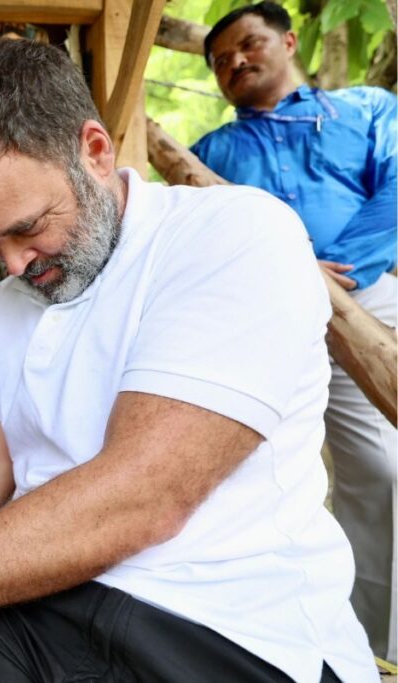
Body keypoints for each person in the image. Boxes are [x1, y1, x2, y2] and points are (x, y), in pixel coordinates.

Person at [0, 38, 377, 682]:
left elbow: (144, 498)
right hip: (37, 598)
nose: (13, 265)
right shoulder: (6, 306)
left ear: (95, 151)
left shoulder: (233, 234)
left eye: (27, 227)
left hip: (225, 621)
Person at [191, 1, 397, 661]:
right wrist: (290, 268)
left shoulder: (366, 108)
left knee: (382, 472)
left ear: (287, 41)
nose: (235, 62)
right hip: (262, 318)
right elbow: (200, 243)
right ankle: (282, 644)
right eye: (220, 60)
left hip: (371, 301)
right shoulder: (209, 155)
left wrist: (332, 273)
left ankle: (378, 646)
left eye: (248, 44)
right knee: (254, 479)